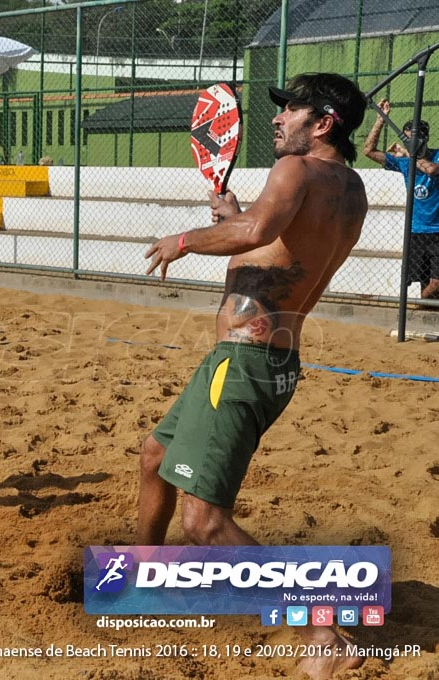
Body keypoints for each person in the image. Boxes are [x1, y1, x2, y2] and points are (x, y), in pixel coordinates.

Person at [141, 73, 368, 680]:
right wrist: (242, 216)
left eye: (290, 109)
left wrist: (186, 239)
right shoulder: (350, 186)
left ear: (322, 123)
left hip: (242, 359)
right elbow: (289, 248)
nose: (277, 117)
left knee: (203, 522)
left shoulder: (294, 173)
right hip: (274, 359)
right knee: (154, 455)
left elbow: (258, 235)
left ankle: (325, 630)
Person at [363, 100, 439, 302]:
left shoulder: (435, 156)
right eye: (407, 141)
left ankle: (423, 304)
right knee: (419, 278)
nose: (410, 145)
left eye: (413, 141)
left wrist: (407, 152)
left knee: (436, 283)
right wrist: (380, 120)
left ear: (424, 140)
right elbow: (369, 151)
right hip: (415, 230)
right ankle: (425, 307)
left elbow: (431, 170)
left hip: (437, 230)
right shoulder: (404, 162)